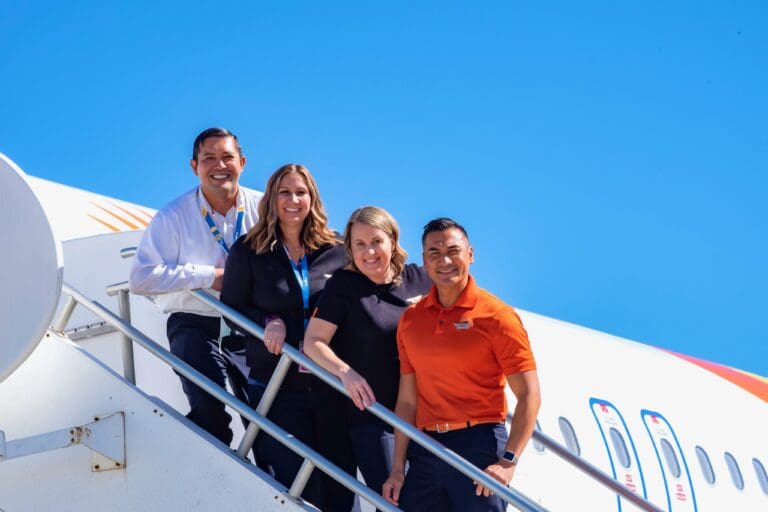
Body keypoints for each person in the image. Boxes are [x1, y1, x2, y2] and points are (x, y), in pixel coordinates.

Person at [382, 218, 541, 512]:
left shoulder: (497, 317)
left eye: (453, 251)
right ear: (424, 262)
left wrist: (508, 462)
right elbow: (407, 401)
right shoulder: (412, 320)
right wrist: (397, 468)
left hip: (479, 445)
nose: (444, 261)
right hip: (427, 446)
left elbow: (530, 395)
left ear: (470, 254)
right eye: (434, 253)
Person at [220, 163, 349, 509]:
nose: (293, 200)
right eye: (285, 192)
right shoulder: (248, 251)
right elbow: (230, 309)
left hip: (331, 386)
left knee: (341, 489)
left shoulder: (338, 249)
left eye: (301, 192)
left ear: (313, 199)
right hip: (278, 387)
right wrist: (267, 320)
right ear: (271, 199)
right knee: (296, 488)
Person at [129, 127, 262, 446]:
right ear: (194, 166)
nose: (220, 166)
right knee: (210, 416)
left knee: (265, 421)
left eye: (227, 157)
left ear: (242, 162)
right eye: (209, 158)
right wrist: (209, 276)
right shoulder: (172, 216)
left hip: (249, 326)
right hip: (194, 325)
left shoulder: (264, 208)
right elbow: (141, 277)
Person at [303, 206, 432, 498]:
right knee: (396, 498)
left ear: (393, 241)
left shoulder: (420, 280)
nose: (369, 252)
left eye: (376, 241)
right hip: (372, 416)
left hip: (424, 414)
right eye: (359, 244)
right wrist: (345, 373)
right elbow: (313, 342)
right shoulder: (344, 285)